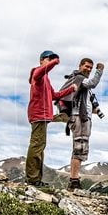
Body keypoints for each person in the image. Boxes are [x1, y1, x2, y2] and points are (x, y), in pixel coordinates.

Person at [25, 50, 75, 186]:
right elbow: (40, 72)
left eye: (52, 58)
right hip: (38, 115)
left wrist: (70, 89)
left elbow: (55, 95)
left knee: (40, 146)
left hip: (44, 116)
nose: (51, 60)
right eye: (48, 58)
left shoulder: (46, 79)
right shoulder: (38, 74)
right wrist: (55, 61)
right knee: (36, 145)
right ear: (41, 60)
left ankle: (36, 179)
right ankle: (32, 180)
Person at [64, 58, 104, 190]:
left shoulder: (79, 81)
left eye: (90, 68)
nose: (88, 69)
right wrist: (99, 70)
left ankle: (74, 179)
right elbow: (93, 83)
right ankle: (74, 180)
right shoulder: (79, 78)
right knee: (79, 147)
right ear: (80, 66)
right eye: (86, 66)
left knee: (80, 147)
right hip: (79, 118)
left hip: (81, 117)